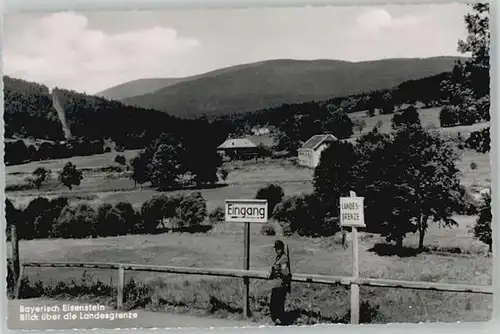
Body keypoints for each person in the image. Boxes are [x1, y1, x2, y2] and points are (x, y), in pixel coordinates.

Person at [267, 239, 291, 325]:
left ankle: (280, 321)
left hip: (281, 284)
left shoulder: (284, 258)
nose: (277, 251)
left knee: (278, 303)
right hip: (276, 284)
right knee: (274, 303)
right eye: (276, 249)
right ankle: (277, 319)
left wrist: (279, 271)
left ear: (282, 249)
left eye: (279, 249)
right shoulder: (278, 258)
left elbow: (285, 272)